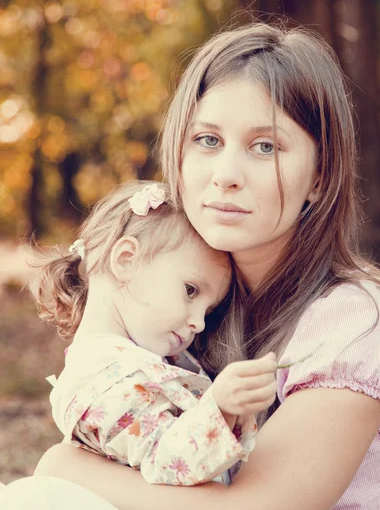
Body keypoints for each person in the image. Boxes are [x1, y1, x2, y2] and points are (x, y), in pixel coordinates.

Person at [0, 22, 380, 510]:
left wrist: (67, 465)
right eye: (207, 141)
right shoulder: (193, 311)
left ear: (320, 176)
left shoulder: (357, 322)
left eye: (265, 146)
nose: (225, 174)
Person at [30, 179, 276, 486]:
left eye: (208, 310)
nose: (198, 324)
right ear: (126, 260)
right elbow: (166, 459)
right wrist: (219, 407)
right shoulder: (101, 382)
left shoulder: (135, 360)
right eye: (190, 290)